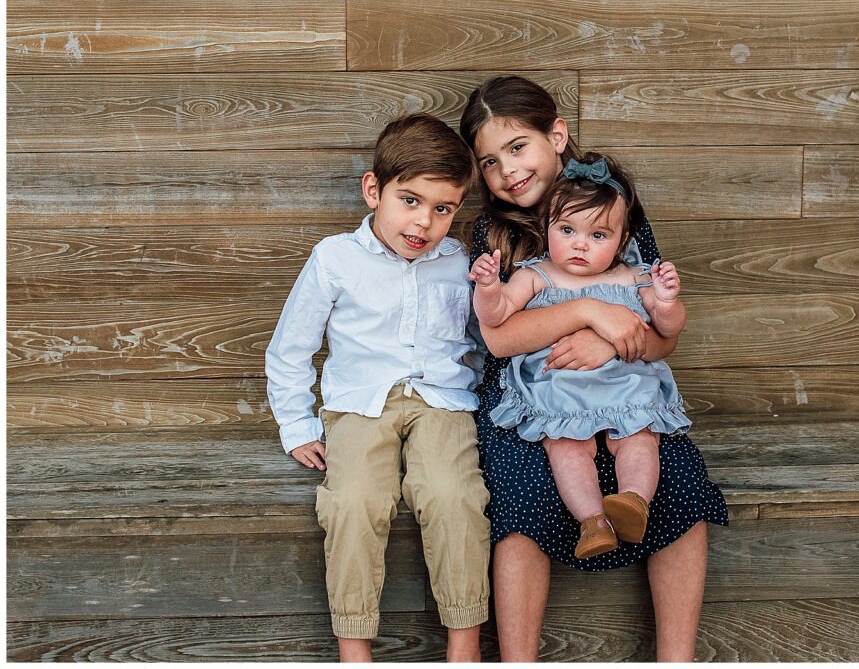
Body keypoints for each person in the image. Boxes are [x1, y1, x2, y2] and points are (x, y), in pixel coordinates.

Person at [459, 75, 729, 661]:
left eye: (518, 147)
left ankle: (675, 658)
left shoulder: (619, 207)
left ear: (556, 137)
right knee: (524, 500)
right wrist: (589, 313)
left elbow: (660, 341)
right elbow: (500, 341)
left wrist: (615, 344)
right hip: (525, 396)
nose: (508, 171)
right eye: (489, 162)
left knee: (679, 480)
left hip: (626, 386)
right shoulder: (494, 232)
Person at [265, 113, 490, 662]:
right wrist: (297, 426)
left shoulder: (458, 262)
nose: (423, 222)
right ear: (374, 190)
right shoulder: (335, 259)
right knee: (355, 502)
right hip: (359, 406)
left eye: (443, 209)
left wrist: (484, 396)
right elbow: (290, 348)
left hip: (442, 401)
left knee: (453, 496)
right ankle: (354, 644)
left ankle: (465, 643)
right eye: (409, 200)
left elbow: (477, 341)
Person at [469, 152, 691, 560]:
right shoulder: (536, 274)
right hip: (561, 390)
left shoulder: (633, 275)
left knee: (640, 441)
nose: (579, 245)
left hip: (625, 386)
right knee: (568, 450)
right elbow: (497, 317)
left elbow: (668, 329)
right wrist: (487, 289)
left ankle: (634, 502)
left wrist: (666, 301)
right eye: (567, 229)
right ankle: (593, 522)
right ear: (547, 227)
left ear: (623, 240)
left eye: (598, 236)